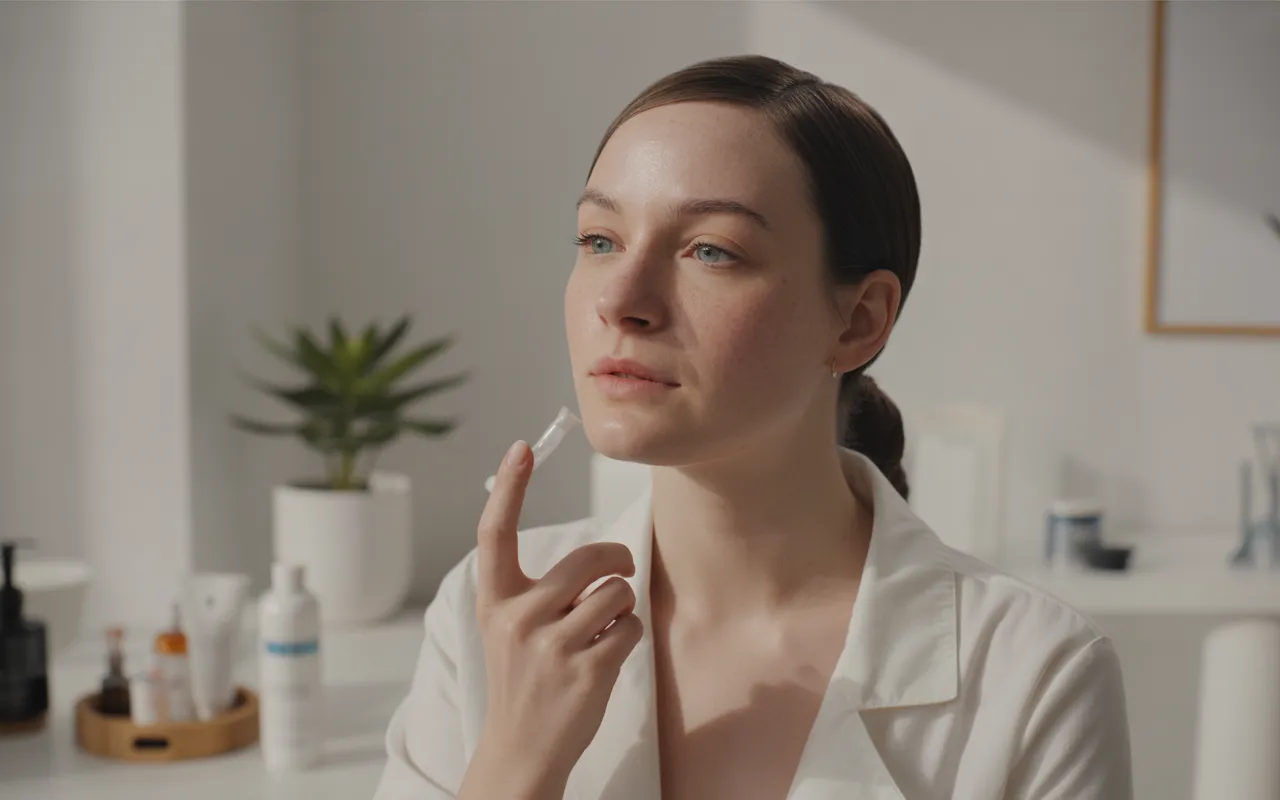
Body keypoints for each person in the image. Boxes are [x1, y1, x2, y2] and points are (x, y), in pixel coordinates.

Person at [373, 54, 1133, 800]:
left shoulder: (1036, 675)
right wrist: (515, 759)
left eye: (711, 251)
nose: (621, 300)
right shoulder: (490, 615)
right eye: (600, 240)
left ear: (858, 321)